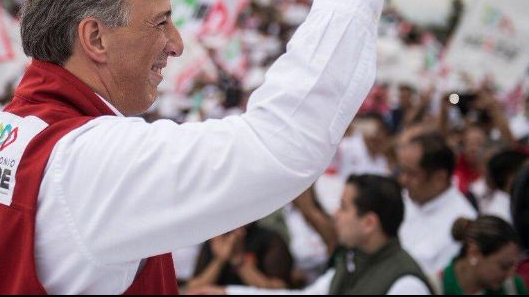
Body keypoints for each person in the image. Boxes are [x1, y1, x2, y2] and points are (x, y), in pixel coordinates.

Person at [0, 0, 409, 294]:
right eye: (159, 22)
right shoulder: (84, 159)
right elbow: (279, 146)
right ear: (94, 38)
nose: (177, 43)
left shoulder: (18, 130)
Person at [189, 175, 433, 295]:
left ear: (369, 223)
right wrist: (228, 293)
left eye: (344, 207)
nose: (336, 214)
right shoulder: (354, 259)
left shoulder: (405, 284)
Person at [397, 134, 478, 276]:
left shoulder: (463, 223)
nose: (403, 180)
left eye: (412, 174)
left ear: (439, 178)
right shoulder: (401, 198)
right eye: (402, 171)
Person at [436, 216, 527, 295]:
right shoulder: (431, 289)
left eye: (513, 266)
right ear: (474, 253)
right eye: (504, 266)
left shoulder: (513, 288)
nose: (510, 275)